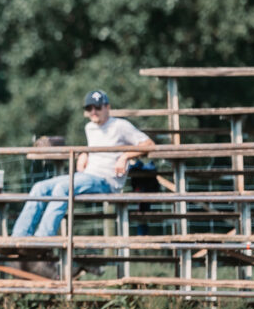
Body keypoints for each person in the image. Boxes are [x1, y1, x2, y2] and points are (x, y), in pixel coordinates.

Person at [11, 89, 154, 239]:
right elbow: (97, 147)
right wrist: (85, 153)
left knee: (62, 189)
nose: (93, 111)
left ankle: (43, 239)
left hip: (106, 181)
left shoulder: (120, 125)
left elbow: (149, 144)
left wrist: (125, 156)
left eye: (97, 107)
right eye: (89, 108)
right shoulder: (89, 128)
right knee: (39, 187)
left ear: (107, 107)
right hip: (86, 176)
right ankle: (18, 239)